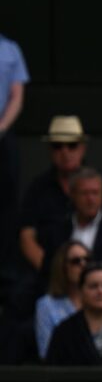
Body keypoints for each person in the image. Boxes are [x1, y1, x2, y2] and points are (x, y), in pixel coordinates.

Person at [19, 116, 102, 277]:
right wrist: (52, 274)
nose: (65, 152)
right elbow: (26, 237)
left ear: (83, 148)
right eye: (58, 146)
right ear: (50, 150)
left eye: (72, 145)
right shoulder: (38, 187)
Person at [35, 240, 102, 360]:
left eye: (87, 259)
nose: (83, 264)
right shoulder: (46, 305)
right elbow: (47, 353)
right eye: (75, 261)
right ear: (63, 267)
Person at [40, 167, 102, 285]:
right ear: (72, 195)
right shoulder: (57, 231)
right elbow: (46, 275)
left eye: (95, 193)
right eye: (84, 193)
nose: (90, 199)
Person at [0, 32, 28, 272]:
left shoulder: (10, 49)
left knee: (7, 205)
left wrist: (2, 127)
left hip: (2, 134)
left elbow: (17, 96)